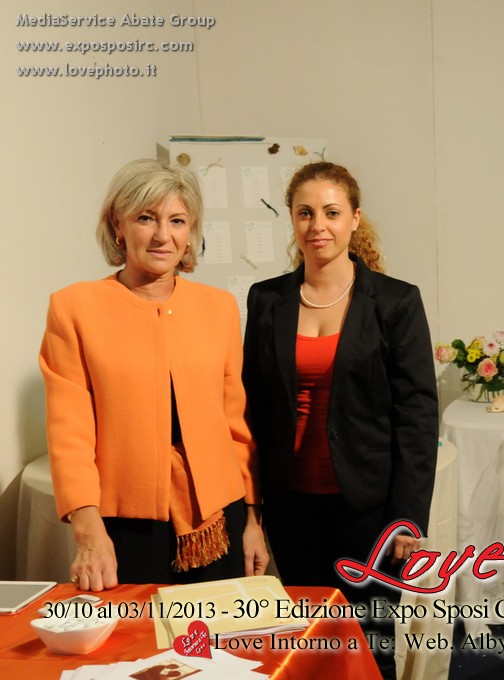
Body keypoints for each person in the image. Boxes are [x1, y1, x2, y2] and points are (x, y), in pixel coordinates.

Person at [242, 162, 438, 679]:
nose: (317, 226)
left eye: (331, 212)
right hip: (291, 504)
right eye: (305, 213)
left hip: (369, 509)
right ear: (291, 219)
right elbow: (254, 407)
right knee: (308, 643)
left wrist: (408, 516)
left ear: (355, 218)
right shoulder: (266, 299)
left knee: (370, 646)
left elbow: (418, 416)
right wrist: (253, 511)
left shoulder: (395, 301)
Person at [39, 158, 268, 591]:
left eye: (177, 220)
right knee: (135, 636)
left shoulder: (219, 307)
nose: (163, 235)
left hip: (220, 516)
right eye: (146, 218)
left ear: (191, 230)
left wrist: (254, 522)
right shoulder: (74, 308)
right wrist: (88, 531)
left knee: (220, 635)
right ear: (118, 224)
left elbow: (237, 425)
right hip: (122, 524)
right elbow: (70, 433)